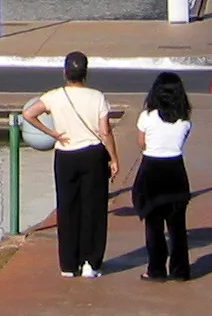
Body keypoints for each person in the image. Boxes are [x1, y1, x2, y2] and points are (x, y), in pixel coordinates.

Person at [24, 50, 119, 279]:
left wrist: (53, 133)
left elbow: (28, 114)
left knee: (67, 208)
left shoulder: (54, 96)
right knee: (93, 208)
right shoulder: (97, 97)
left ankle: (68, 264)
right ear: (86, 73)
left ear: (65, 72)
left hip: (65, 155)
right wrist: (114, 158)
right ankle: (91, 263)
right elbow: (105, 131)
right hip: (93, 154)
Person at [131, 72, 194, 282]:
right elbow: (181, 142)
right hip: (176, 170)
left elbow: (141, 143)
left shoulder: (147, 117)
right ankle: (180, 271)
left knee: (153, 225)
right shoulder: (185, 121)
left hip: (152, 170)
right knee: (177, 227)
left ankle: (156, 270)